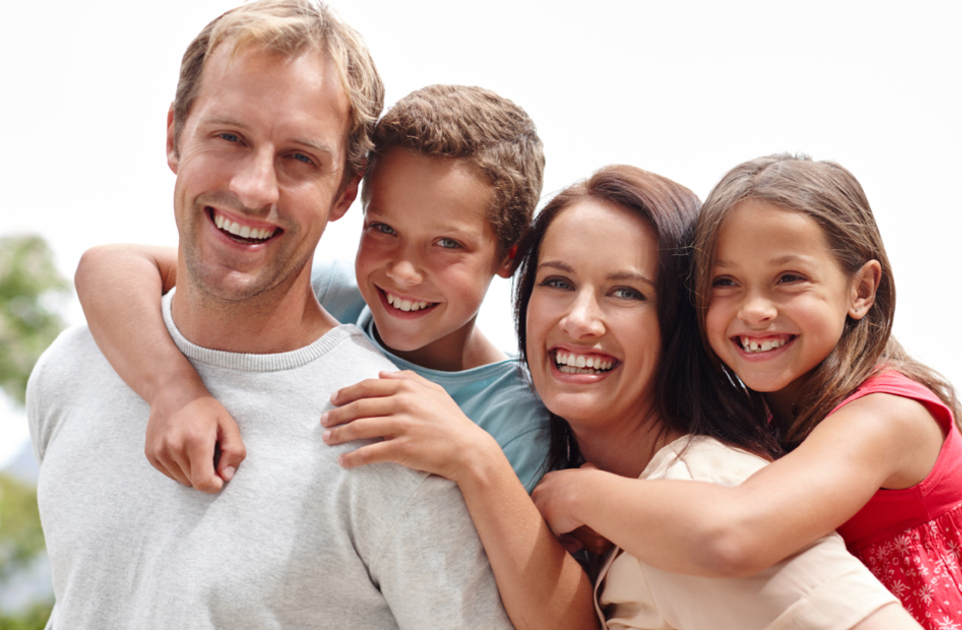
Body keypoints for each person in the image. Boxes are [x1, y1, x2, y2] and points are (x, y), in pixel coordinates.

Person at [27, 2, 513, 627]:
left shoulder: (388, 433)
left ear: (345, 190)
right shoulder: (71, 369)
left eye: (299, 159)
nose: (255, 188)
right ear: (174, 135)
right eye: (230, 137)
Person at [74, 84, 593, 629]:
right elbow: (112, 265)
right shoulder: (327, 297)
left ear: (509, 255)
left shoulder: (515, 424)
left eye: (448, 245)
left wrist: (474, 456)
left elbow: (559, 620)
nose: (404, 271)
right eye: (384, 229)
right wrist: (174, 391)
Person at [530, 155, 962, 629]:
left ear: (861, 290)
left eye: (788, 278)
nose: (755, 309)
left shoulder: (885, 417)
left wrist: (577, 494)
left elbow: (735, 533)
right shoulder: (770, 420)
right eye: (726, 282)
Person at [513, 165, 918, 629]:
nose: (580, 319)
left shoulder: (701, 489)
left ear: (682, 322)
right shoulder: (630, 503)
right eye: (557, 282)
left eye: (626, 292)